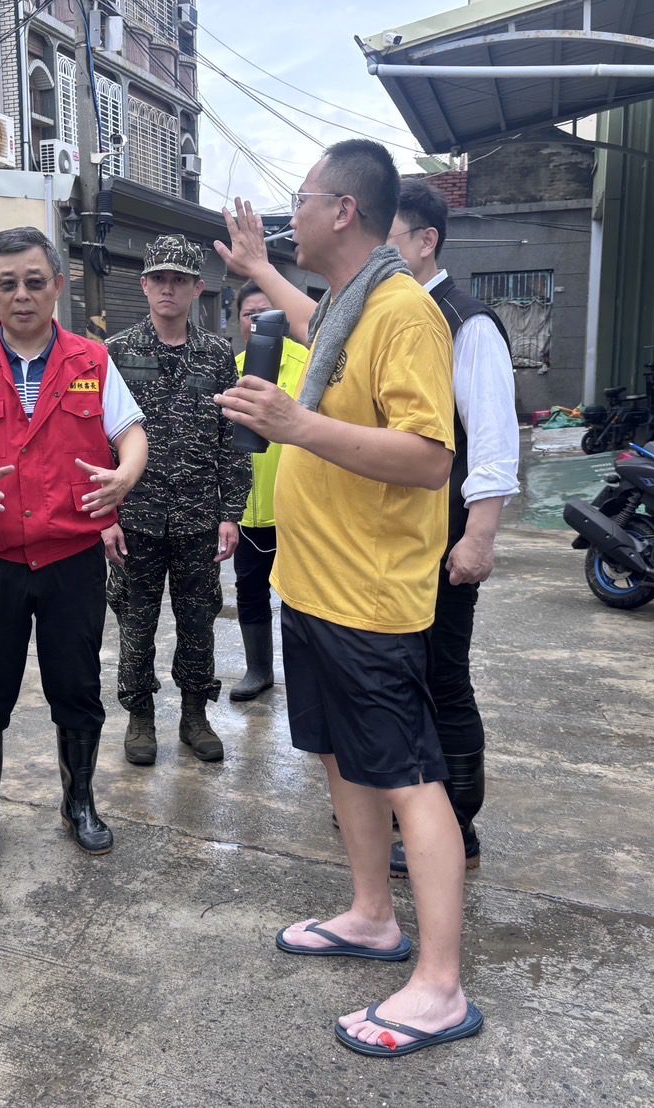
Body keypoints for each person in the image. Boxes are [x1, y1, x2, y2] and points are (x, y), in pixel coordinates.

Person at [215, 140, 482, 1058]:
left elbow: (429, 458)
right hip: (314, 585)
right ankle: (372, 915)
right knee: (339, 758)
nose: (290, 214)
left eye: (302, 199)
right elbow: (309, 325)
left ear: (344, 211)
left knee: (409, 779)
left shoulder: (405, 312)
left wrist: (296, 424)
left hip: (371, 596)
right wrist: (254, 268)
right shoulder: (348, 302)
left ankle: (440, 986)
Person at [0, 227, 147, 862]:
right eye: (7, 284)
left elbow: (130, 431)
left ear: (57, 284)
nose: (22, 295)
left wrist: (125, 475)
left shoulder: (91, 361)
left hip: (69, 558)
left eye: (34, 282)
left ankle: (80, 803)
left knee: (76, 687)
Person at [386, 179, 520, 877]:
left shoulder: (463, 321)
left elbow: (493, 440)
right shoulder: (394, 313)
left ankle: (458, 829)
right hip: (392, 541)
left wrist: (478, 535)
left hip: (441, 540)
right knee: (399, 677)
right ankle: (412, 805)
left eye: (388, 242)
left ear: (424, 241)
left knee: (442, 676)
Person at [102, 236, 250, 766]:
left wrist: (231, 512)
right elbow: (96, 441)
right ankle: (139, 716)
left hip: (196, 520)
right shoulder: (115, 353)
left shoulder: (216, 356)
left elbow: (233, 440)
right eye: (159, 279)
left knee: (198, 622)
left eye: (180, 280)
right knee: (135, 623)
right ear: (143, 284)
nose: (168, 288)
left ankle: (194, 714)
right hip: (134, 519)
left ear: (196, 288)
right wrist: (104, 517)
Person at [229, 281, 310, 702]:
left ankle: (306, 674)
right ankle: (258, 669)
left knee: (301, 592)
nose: (258, 322)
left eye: (267, 313)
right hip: (246, 510)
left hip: (295, 509)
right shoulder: (233, 367)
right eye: (249, 314)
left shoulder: (309, 363)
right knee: (250, 588)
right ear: (238, 320)